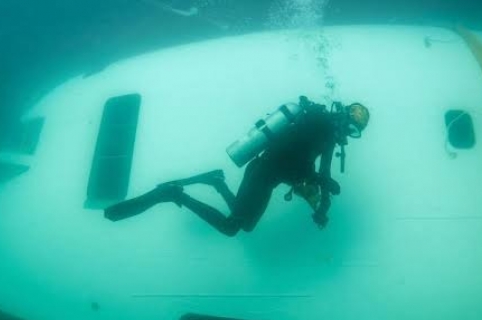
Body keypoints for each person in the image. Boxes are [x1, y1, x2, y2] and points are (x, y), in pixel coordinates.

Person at [104, 96, 369, 236]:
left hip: (267, 176)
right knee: (233, 227)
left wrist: (323, 209)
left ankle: (216, 182)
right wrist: (317, 183)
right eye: (350, 127)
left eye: (353, 132)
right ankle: (174, 194)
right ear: (343, 117)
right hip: (263, 172)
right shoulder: (315, 124)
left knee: (245, 224)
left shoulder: (326, 136)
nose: (348, 134)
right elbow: (287, 157)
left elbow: (322, 174)